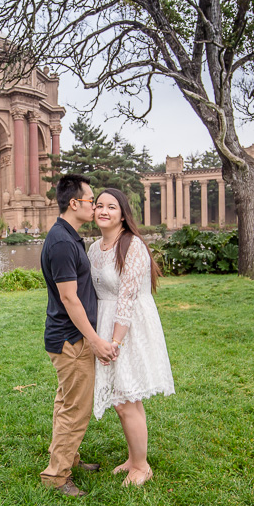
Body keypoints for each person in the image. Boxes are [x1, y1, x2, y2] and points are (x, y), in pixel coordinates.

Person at [39, 174, 119, 497]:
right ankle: (57, 476)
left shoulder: (68, 237)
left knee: (66, 402)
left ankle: (68, 457)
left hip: (69, 337)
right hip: (70, 339)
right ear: (74, 204)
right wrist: (96, 340)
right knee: (76, 408)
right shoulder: (60, 242)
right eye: (91, 201)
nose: (95, 207)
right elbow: (70, 298)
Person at [88, 187, 174, 487]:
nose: (103, 211)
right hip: (104, 323)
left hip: (128, 327)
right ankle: (132, 457)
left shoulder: (133, 245)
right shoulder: (93, 248)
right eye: (99, 205)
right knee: (121, 398)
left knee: (127, 399)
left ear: (123, 214)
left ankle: (142, 466)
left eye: (111, 207)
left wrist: (115, 342)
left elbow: (126, 297)